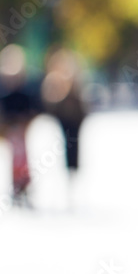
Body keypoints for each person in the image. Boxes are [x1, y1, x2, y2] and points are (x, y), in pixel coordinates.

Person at [0, 44, 40, 208]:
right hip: (11, 128)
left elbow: (31, 106)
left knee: (23, 159)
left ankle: (24, 186)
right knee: (14, 159)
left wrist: (25, 122)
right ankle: (16, 187)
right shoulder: (2, 86)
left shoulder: (24, 86)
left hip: (21, 128)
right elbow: (0, 109)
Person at [42, 47, 89, 206]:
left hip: (75, 120)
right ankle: (66, 177)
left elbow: (81, 102)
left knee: (74, 148)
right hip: (63, 119)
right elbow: (50, 101)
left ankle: (72, 175)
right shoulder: (54, 79)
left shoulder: (74, 80)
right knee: (63, 148)